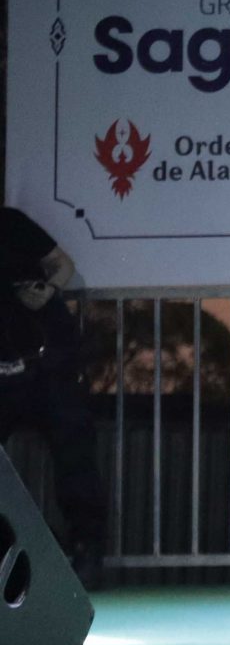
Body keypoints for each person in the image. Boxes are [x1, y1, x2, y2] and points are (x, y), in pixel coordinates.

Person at [0, 206, 104, 580]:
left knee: (74, 450)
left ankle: (86, 551)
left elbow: (63, 265)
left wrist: (48, 291)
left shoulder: (10, 223)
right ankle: (22, 555)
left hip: (47, 365)